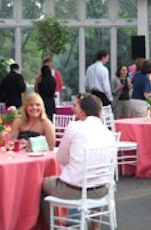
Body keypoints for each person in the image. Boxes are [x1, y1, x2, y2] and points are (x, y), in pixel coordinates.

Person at [41, 93, 115, 230]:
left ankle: (55, 226)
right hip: (102, 189)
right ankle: (94, 227)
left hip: (75, 190)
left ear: (82, 111)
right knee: (93, 179)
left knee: (42, 184)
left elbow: (61, 159)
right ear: (99, 112)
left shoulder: (74, 127)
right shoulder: (109, 134)